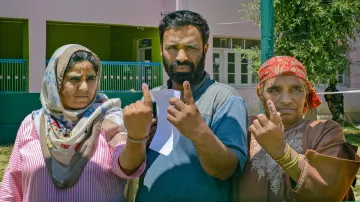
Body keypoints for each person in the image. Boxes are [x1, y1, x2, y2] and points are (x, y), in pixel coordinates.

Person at [0, 44, 153, 201]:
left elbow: (127, 168)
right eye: (75, 79)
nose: (85, 87)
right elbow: (11, 189)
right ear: (55, 83)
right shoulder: (32, 124)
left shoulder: (109, 119)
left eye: (91, 78)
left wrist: (136, 137)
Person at [134, 10, 248, 202]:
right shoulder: (151, 100)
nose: (181, 56)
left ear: (205, 48)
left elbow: (226, 169)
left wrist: (198, 132)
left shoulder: (224, 99)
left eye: (191, 47)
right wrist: (136, 139)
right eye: (172, 47)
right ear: (161, 49)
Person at [236, 56, 360, 201]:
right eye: (274, 89)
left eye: (296, 89)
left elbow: (330, 193)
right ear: (261, 94)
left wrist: (281, 151)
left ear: (306, 93)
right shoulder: (246, 129)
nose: (286, 100)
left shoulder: (325, 131)